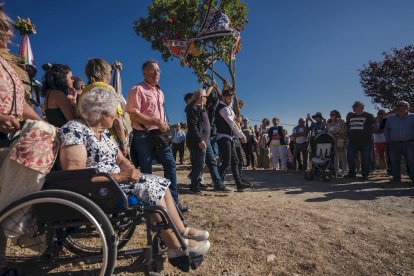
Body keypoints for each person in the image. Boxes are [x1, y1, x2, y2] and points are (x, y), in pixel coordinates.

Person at [58, 85, 210, 261]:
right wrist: (121, 177)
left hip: (114, 182)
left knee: (159, 182)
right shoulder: (75, 129)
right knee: (151, 190)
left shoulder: (103, 133)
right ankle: (175, 246)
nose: (117, 116)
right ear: (102, 113)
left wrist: (130, 169)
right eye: (114, 112)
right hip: (99, 187)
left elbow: (121, 160)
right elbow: (75, 173)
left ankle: (180, 230)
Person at [125, 60, 187, 212]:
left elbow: (160, 115)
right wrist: (155, 121)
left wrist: (165, 124)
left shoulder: (160, 92)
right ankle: (148, 205)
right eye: (152, 70)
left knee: (170, 164)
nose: (156, 73)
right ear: (144, 72)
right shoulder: (137, 89)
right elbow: (133, 115)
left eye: (158, 70)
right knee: (146, 169)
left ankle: (174, 202)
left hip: (159, 135)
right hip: (142, 135)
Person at [186, 88, 229, 193]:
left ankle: (218, 185)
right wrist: (200, 140)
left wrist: (218, 87)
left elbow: (213, 101)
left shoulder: (202, 108)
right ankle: (194, 186)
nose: (207, 98)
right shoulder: (192, 108)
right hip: (199, 142)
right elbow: (192, 126)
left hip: (207, 141)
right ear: (201, 98)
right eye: (205, 96)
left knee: (213, 162)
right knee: (199, 164)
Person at [82, 58, 129, 156]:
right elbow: (116, 120)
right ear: (105, 73)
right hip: (109, 140)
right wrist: (124, 143)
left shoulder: (84, 92)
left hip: (88, 141)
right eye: (109, 72)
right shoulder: (108, 89)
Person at [215, 89, 250, 192]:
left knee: (235, 160)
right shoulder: (223, 109)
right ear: (223, 97)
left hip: (229, 137)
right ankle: (218, 183)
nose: (231, 100)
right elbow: (232, 124)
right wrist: (241, 135)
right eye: (229, 98)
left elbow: (233, 122)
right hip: (223, 137)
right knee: (226, 161)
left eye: (231, 98)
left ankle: (239, 184)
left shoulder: (227, 108)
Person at [345, 101, 377, 180]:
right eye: (353, 106)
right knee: (350, 156)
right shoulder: (350, 116)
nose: (353, 107)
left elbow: (375, 127)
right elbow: (348, 127)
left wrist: (367, 134)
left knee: (366, 158)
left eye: (355, 106)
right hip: (352, 141)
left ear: (361, 107)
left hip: (365, 141)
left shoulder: (369, 116)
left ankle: (365, 174)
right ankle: (352, 173)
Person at [384, 101, 414, 183]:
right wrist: (387, 139)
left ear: (407, 107)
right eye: (397, 106)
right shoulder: (390, 119)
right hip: (394, 144)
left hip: (409, 144)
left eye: (401, 105)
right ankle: (396, 179)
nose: (398, 107)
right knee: (394, 162)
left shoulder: (412, 117)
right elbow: (386, 129)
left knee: (411, 162)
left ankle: (413, 178)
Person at [326, 110, 348, 177]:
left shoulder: (341, 121)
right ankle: (336, 171)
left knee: (343, 156)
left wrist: (336, 133)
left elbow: (343, 131)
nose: (331, 116)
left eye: (333, 114)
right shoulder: (329, 124)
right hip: (332, 142)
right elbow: (327, 132)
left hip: (340, 141)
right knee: (336, 157)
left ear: (337, 115)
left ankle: (344, 171)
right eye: (330, 114)